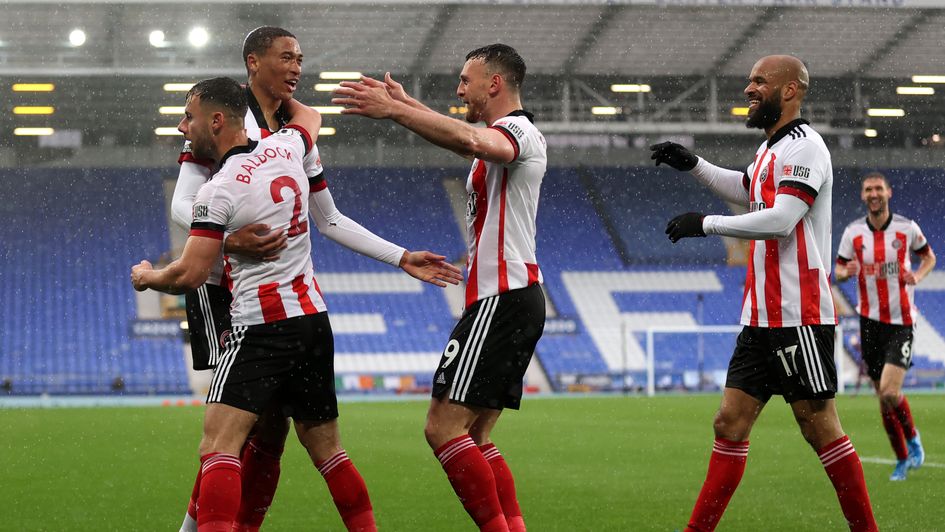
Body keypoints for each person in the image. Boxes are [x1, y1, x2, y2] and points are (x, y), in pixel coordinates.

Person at [137, 77, 462, 532]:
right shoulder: (287, 147)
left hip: (258, 325)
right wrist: (280, 96)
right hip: (311, 319)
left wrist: (146, 277)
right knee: (327, 451)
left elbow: (189, 273)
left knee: (219, 447)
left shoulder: (217, 190)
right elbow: (311, 118)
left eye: (188, 117)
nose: (180, 127)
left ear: (216, 120)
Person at [652, 55, 877, 531]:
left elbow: (781, 219)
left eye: (759, 81)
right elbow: (748, 189)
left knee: (819, 428)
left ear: (790, 90)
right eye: (749, 81)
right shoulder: (769, 151)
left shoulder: (806, 147)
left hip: (799, 314)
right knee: (728, 424)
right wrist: (693, 165)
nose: (749, 89)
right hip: (760, 318)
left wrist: (706, 224)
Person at [332, 44, 546, 532]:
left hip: (502, 299)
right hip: (513, 297)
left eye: (466, 79)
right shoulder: (505, 132)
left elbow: (473, 142)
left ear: (494, 83)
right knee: (477, 435)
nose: (459, 88)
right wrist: (406, 106)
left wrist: (396, 113)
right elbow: (469, 137)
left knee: (442, 428)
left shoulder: (517, 131)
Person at [170, 26, 303, 532]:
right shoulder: (220, 115)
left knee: (271, 427)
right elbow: (183, 204)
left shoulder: (293, 123)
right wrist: (228, 240)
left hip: (271, 291)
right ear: (254, 63)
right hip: (221, 287)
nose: (296, 67)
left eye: (300, 58)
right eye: (286, 57)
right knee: (231, 428)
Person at [835, 171, 935, 480]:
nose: (874, 194)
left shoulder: (907, 229)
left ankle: (913, 438)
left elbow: (928, 257)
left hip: (901, 321)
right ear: (863, 196)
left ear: (888, 193)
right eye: (868, 190)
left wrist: (916, 277)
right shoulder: (853, 233)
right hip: (869, 323)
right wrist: (845, 271)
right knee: (882, 397)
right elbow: (838, 270)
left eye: (879, 188)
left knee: (891, 393)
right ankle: (901, 458)